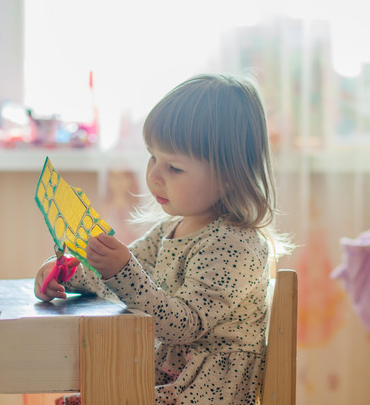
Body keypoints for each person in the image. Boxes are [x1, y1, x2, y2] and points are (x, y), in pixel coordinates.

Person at [34, 73, 290, 404]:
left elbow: (182, 325)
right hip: (172, 379)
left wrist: (122, 270)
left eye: (175, 168)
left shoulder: (235, 244)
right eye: (153, 157)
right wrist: (69, 274)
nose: (153, 175)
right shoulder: (171, 230)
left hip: (207, 392)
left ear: (229, 176)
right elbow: (123, 283)